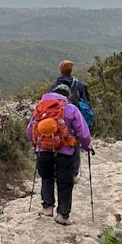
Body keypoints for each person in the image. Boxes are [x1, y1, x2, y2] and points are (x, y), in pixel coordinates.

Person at [26, 83, 92, 225]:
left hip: (43, 149)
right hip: (64, 151)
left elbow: (29, 130)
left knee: (47, 177)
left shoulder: (40, 107)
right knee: (65, 182)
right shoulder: (70, 108)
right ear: (67, 96)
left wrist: (36, 143)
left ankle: (47, 207)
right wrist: (87, 146)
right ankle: (62, 214)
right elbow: (83, 131)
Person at [50, 59, 91, 179]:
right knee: (74, 143)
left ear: (61, 71)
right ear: (71, 70)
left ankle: (57, 170)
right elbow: (85, 101)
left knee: (57, 142)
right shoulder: (78, 84)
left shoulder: (54, 85)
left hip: (57, 118)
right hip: (74, 117)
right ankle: (74, 172)